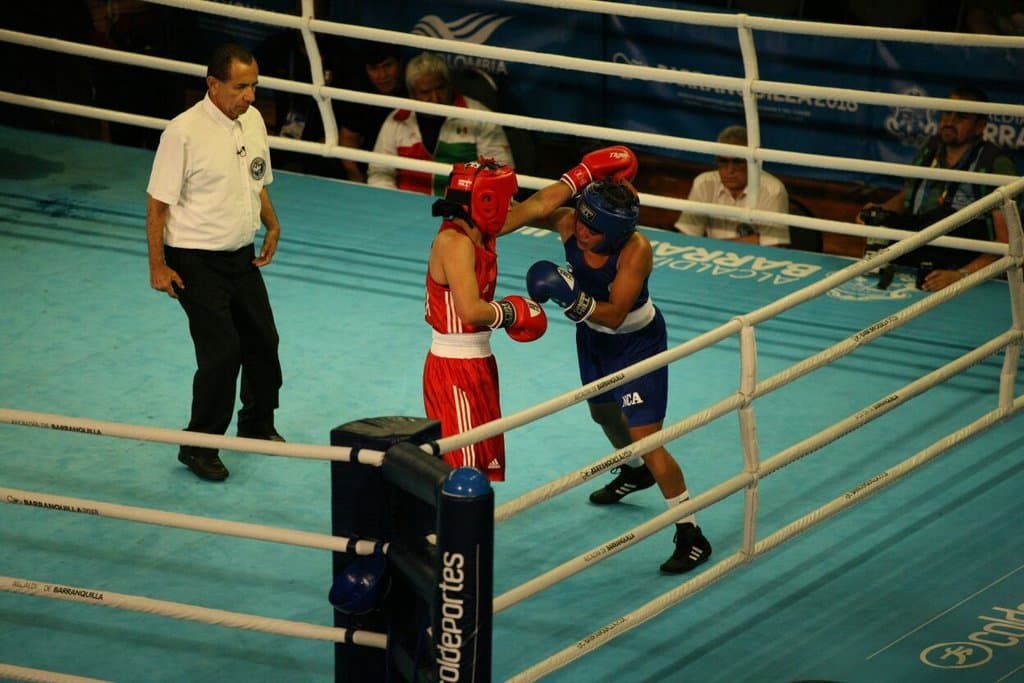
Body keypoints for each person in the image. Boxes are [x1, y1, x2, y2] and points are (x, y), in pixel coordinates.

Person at [523, 148, 713, 574]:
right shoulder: (572, 221)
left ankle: (691, 532)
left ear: (613, 232)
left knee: (646, 438)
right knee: (604, 417)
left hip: (635, 341)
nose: (581, 230)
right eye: (581, 221)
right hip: (593, 340)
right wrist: (485, 212)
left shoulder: (636, 251)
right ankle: (634, 472)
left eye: (592, 228)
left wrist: (570, 297)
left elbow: (614, 313)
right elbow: (528, 211)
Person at [424, 146, 639, 481]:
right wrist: (513, 311)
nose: (508, 205)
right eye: (501, 198)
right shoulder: (456, 243)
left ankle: (467, 530)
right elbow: (471, 310)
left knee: (481, 461)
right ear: (485, 202)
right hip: (453, 369)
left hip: (479, 362)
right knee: (461, 467)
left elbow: (538, 205)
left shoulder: (481, 229)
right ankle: (449, 533)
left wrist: (582, 175)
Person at [146, 42, 285, 482]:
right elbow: (157, 205)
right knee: (222, 354)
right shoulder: (183, 132)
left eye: (254, 86)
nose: (250, 96)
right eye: (241, 87)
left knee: (264, 340)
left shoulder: (253, 120)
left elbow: (256, 176)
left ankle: (257, 424)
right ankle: (199, 445)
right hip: (194, 261)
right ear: (213, 84)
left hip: (240, 256)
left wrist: (271, 221)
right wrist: (157, 266)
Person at [856, 86, 1016, 291]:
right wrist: (878, 213)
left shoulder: (995, 164)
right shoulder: (929, 151)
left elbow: (1006, 241)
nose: (949, 121)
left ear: (980, 126)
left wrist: (961, 276)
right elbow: (908, 196)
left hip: (962, 270)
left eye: (961, 116)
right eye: (947, 113)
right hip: (917, 260)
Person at [368, 51, 513, 195]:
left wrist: (468, 208)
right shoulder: (397, 120)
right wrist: (392, 204)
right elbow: (379, 172)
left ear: (449, 85)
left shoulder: (480, 117)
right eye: (425, 92)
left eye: (440, 88)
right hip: (404, 211)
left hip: (462, 212)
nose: (435, 99)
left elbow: (499, 173)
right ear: (412, 94)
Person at [674, 125, 790, 246]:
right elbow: (687, 236)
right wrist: (755, 239)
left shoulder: (772, 189)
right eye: (723, 161)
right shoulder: (704, 183)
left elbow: (773, 245)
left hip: (755, 260)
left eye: (737, 162)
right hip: (710, 257)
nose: (730, 170)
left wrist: (712, 245)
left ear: (753, 162)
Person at [335, 41, 406, 183]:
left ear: (400, 63)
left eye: (388, 66)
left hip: (411, 170)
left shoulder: (415, 89)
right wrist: (357, 179)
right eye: (374, 68)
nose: (382, 75)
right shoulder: (360, 92)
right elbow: (348, 138)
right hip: (372, 171)